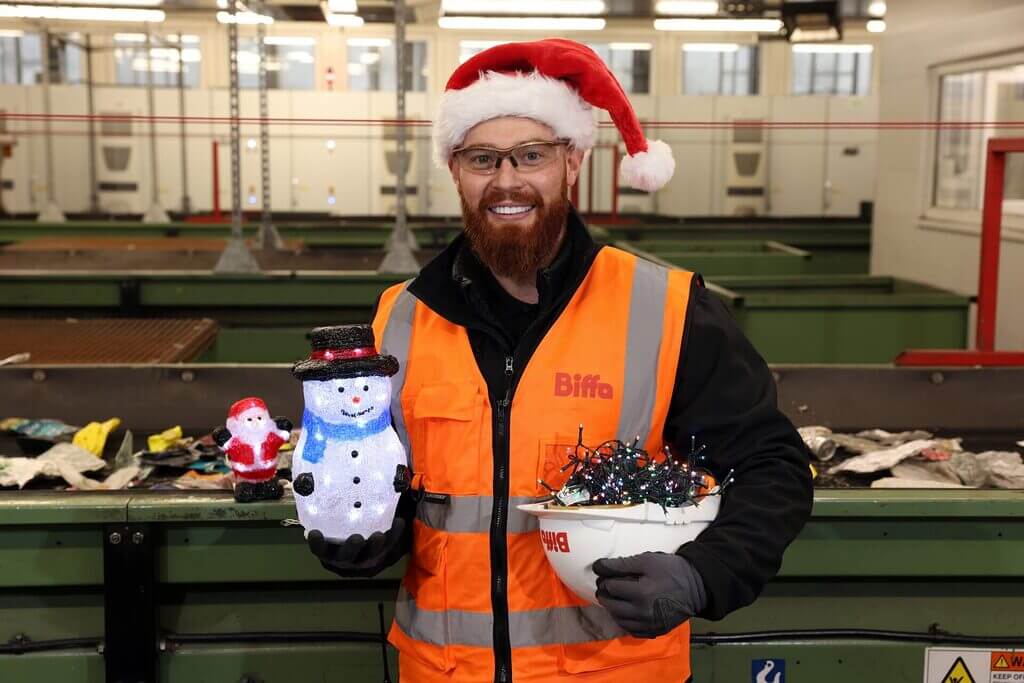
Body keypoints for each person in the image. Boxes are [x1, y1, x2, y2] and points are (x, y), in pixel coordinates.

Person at [306, 39, 813, 683]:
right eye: (482, 158)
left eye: (532, 155)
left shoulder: (667, 309)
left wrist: (701, 574)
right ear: (455, 170)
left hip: (613, 672)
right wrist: (370, 535)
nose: (507, 180)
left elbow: (773, 467)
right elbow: (402, 486)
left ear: (572, 163)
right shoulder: (398, 318)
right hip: (443, 670)